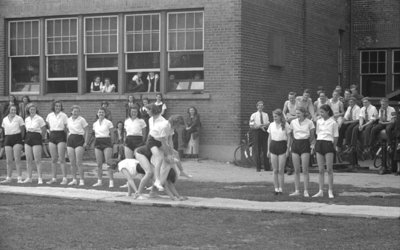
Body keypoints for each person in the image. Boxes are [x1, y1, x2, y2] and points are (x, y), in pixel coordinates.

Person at [313, 104, 339, 199]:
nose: (321, 114)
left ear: (328, 112)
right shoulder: (319, 121)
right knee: (320, 170)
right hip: (319, 143)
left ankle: (330, 190)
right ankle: (320, 190)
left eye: (322, 112)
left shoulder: (333, 122)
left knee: (329, 169)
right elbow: (317, 133)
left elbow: (336, 136)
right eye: (320, 112)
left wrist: (333, 147)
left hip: (328, 144)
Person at [289, 107, 315, 197]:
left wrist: (311, 145)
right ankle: (297, 190)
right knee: (296, 170)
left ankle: (306, 191)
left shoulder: (310, 122)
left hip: (305, 144)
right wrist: (292, 143)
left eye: (299, 113)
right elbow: (291, 134)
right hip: (296, 144)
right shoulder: (293, 122)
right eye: (296, 113)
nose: (297, 115)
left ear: (304, 113)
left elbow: (312, 136)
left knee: (305, 170)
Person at [368, 98, 396, 173]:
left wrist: (384, 123)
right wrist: (381, 114)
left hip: (389, 123)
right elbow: (380, 120)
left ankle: (390, 144)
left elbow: (393, 121)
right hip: (383, 123)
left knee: (388, 129)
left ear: (387, 103)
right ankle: (371, 146)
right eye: (381, 104)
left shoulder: (392, 109)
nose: (382, 105)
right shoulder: (381, 109)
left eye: (383, 104)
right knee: (374, 129)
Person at [267, 109, 291, 194]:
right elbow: (269, 138)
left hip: (282, 146)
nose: (274, 118)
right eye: (273, 116)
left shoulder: (286, 125)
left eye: (276, 116)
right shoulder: (271, 125)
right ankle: (276, 188)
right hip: (273, 146)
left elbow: (289, 138)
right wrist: (268, 150)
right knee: (275, 170)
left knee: (281, 170)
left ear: (280, 116)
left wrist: (288, 149)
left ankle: (281, 188)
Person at [22, 104, 47, 184]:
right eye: (31, 109)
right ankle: (29, 177)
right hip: (28, 137)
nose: (32, 110)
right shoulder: (26, 119)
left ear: (36, 110)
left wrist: (41, 138)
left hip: (36, 137)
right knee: (28, 159)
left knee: (37, 160)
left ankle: (40, 178)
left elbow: (44, 130)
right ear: (28, 110)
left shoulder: (39, 118)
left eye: (34, 109)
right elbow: (25, 130)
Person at [45, 101, 68, 185]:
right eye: (56, 106)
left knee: (61, 159)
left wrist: (66, 139)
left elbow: (66, 128)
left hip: (61, 135)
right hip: (52, 135)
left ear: (61, 107)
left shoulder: (64, 115)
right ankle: (54, 178)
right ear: (53, 107)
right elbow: (47, 125)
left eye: (59, 106)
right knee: (53, 159)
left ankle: (64, 178)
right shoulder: (49, 115)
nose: (57, 107)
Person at [0, 105, 25, 184]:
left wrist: (21, 138)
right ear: (9, 110)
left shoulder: (19, 118)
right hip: (7, 139)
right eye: (12, 110)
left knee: (17, 159)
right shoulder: (4, 119)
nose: (13, 111)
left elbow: (22, 130)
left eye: (14, 110)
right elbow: (3, 130)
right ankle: (8, 177)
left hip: (17, 138)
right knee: (8, 160)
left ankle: (19, 178)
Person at [66, 105, 89, 186]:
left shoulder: (82, 120)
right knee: (72, 162)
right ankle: (74, 179)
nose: (75, 113)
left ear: (79, 112)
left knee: (79, 161)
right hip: (70, 140)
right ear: (71, 111)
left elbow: (87, 130)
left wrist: (86, 142)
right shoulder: (68, 120)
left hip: (79, 139)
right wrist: (67, 141)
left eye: (77, 111)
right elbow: (68, 131)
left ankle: (82, 180)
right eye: (74, 111)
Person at [92, 107, 115, 188]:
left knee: (109, 163)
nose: (101, 114)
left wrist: (112, 143)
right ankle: (99, 181)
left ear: (105, 114)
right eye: (99, 112)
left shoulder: (109, 122)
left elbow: (112, 134)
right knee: (99, 164)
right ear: (97, 114)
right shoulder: (94, 124)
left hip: (107, 142)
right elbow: (95, 135)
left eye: (102, 112)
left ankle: (111, 182)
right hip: (98, 142)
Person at [249, 101, 270, 172]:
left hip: (264, 132)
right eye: (259, 106)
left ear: (263, 107)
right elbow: (251, 125)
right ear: (257, 107)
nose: (260, 107)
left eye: (262, 106)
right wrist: (259, 126)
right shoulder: (253, 115)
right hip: (256, 133)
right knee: (257, 150)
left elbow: (267, 124)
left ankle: (267, 167)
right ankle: (258, 167)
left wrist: (262, 126)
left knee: (265, 149)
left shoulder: (266, 115)